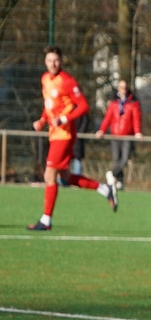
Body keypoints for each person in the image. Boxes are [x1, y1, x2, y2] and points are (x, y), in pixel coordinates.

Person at [28, 45, 118, 231]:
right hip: (54, 134)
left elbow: (83, 106)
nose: (53, 64)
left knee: (49, 175)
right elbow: (49, 105)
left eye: (56, 60)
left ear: (61, 61)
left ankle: (46, 220)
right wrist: (42, 121)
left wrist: (63, 119)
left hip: (65, 134)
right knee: (65, 177)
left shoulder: (67, 81)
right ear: (45, 62)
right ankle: (105, 189)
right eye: (49, 60)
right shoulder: (45, 79)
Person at [95, 79, 143, 189]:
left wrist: (137, 132)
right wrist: (102, 130)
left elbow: (136, 118)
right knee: (116, 159)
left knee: (125, 159)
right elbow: (108, 117)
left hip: (127, 135)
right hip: (115, 135)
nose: (123, 89)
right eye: (121, 87)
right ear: (118, 88)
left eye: (125, 87)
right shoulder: (113, 102)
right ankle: (120, 182)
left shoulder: (133, 102)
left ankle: (112, 174)